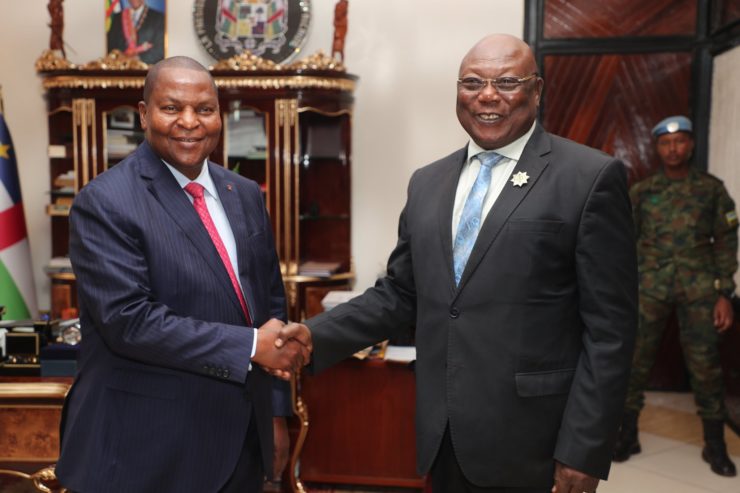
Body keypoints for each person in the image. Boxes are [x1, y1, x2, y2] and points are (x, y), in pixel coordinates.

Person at [283, 34, 638, 492]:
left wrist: (583, 449)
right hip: (443, 431)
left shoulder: (588, 177)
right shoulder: (427, 183)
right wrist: (312, 336)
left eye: (506, 82)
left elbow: (611, 331)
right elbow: (401, 294)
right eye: (472, 82)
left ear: (536, 90)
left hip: (535, 441)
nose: (487, 95)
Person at [55, 56, 311, 493]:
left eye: (204, 109)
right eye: (171, 108)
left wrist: (274, 414)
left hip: (241, 444)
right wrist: (252, 346)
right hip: (146, 450)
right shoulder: (105, 201)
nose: (189, 122)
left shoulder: (244, 193)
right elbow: (130, 322)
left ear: (219, 115)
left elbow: (269, 305)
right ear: (144, 114)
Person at [614, 115, 738, 477]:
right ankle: (627, 435)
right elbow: (624, 242)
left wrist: (724, 293)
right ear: (656, 147)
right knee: (634, 362)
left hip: (699, 290)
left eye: (680, 141)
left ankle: (715, 444)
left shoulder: (711, 190)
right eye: (666, 143)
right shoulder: (642, 192)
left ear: (691, 145)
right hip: (649, 288)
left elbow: (726, 241)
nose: (673, 148)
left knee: (705, 365)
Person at [106, 0, 165, 64]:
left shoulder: (158, 17)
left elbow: (160, 48)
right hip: (121, 66)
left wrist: (138, 59)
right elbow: (110, 45)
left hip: (147, 67)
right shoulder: (117, 18)